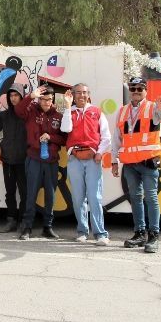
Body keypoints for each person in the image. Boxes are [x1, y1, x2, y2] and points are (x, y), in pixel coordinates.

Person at [114, 77, 161, 254]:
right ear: (129, 90)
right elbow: (117, 139)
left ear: (146, 91)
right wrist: (114, 161)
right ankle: (139, 233)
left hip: (148, 162)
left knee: (151, 197)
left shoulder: (153, 107)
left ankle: (153, 235)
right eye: (133, 88)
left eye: (140, 89)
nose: (136, 91)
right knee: (135, 198)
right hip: (130, 163)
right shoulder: (122, 111)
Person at [60, 83, 112, 245]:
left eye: (84, 92)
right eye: (78, 93)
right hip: (75, 158)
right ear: (73, 95)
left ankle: (100, 233)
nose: (81, 95)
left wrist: (99, 152)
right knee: (77, 197)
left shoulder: (96, 112)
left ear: (88, 94)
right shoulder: (69, 112)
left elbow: (106, 136)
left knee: (94, 197)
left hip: (92, 159)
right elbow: (65, 129)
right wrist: (68, 107)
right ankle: (82, 231)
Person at [17, 85, 67, 240]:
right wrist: (30, 97)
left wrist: (50, 137)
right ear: (39, 99)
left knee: (50, 196)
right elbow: (18, 110)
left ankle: (48, 227)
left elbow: (64, 139)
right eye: (44, 99)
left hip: (51, 161)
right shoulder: (31, 112)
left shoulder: (58, 116)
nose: (47, 103)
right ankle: (27, 227)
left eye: (49, 100)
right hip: (33, 159)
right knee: (31, 194)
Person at [0, 84, 28, 233]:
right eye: (11, 96)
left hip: (24, 160)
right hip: (8, 159)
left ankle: (24, 220)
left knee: (25, 192)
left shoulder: (27, 114)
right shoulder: (4, 115)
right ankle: (11, 220)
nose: (13, 98)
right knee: (10, 192)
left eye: (16, 95)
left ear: (22, 97)